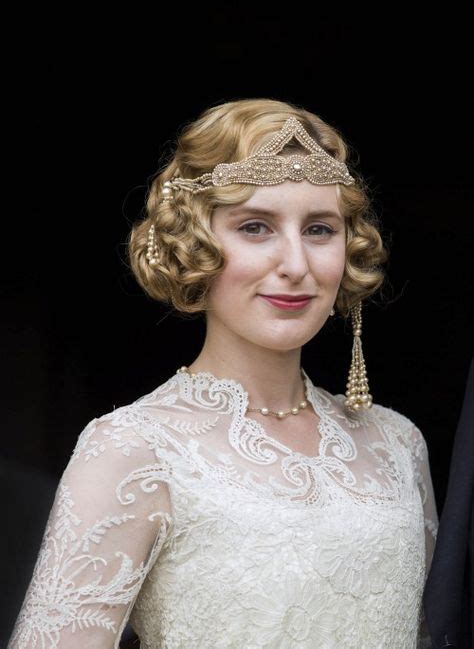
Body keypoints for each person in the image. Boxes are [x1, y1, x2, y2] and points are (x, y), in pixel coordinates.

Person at [8, 98, 439, 648]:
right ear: (195, 246)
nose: (296, 264)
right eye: (255, 227)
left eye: (320, 229)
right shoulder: (134, 448)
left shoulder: (397, 444)